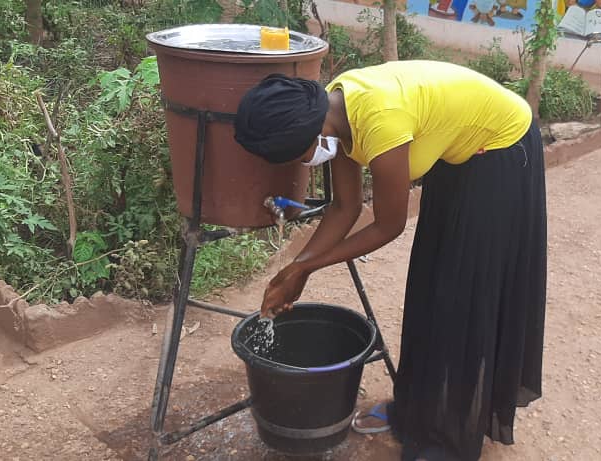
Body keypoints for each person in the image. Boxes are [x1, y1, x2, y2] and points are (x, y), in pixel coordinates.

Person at [233, 60, 547, 461]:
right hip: (456, 155)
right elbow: (344, 208)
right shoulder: (336, 112)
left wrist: (307, 267)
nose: (301, 164)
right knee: (430, 291)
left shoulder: (380, 121)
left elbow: (387, 225)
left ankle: (451, 437)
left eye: (296, 156)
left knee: (463, 299)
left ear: (310, 135)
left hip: (500, 151)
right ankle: (416, 412)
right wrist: (294, 270)